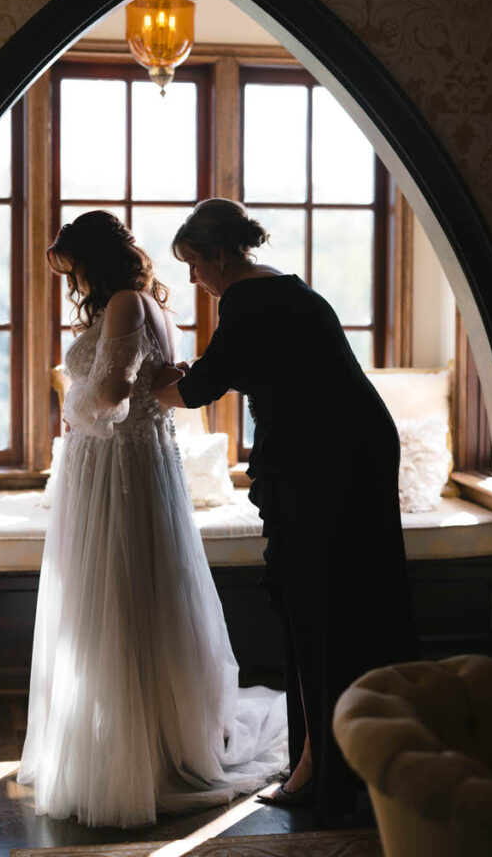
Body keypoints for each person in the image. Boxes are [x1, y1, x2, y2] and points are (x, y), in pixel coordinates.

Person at [153, 198, 419, 827]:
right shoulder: (287, 288)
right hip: (353, 450)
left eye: (194, 264)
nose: (193, 278)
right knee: (356, 600)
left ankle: (317, 772)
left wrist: (139, 390)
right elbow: (252, 367)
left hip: (321, 466)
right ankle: (355, 758)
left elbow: (198, 389)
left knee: (316, 609)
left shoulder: (245, 300)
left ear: (218, 255)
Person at [17, 210, 287, 829]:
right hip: (125, 462)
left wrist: (67, 395)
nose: (72, 283)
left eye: (73, 268)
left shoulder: (125, 305)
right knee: (132, 598)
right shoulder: (148, 306)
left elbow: (110, 395)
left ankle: (135, 757)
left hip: (117, 465)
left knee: (119, 599)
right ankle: (145, 740)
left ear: (93, 259)